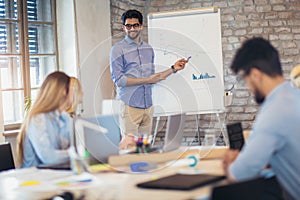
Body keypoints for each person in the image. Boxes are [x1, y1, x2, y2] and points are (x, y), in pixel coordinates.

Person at [222, 37, 300, 199]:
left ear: (256, 75)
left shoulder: (274, 112)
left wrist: (229, 163)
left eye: (246, 80)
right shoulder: (294, 96)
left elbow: (239, 175)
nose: (249, 87)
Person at [110, 9, 188, 149]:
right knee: (130, 150)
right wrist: (146, 80)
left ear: (141, 26)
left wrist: (173, 68)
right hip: (129, 106)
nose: (132, 29)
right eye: (128, 26)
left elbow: (154, 78)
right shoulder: (117, 49)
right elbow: (119, 80)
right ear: (123, 27)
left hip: (148, 106)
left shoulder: (148, 49)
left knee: (145, 149)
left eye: (135, 25)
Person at [17, 71, 74, 168]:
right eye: (73, 89)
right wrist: (76, 153)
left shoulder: (65, 117)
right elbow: (48, 157)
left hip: (56, 174)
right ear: (64, 91)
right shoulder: (37, 119)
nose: (74, 93)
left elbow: (74, 144)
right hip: (35, 178)